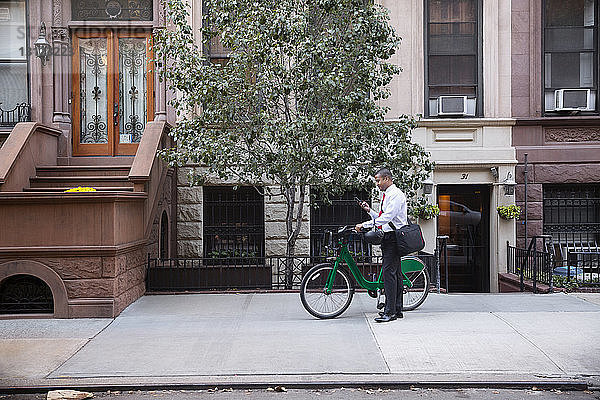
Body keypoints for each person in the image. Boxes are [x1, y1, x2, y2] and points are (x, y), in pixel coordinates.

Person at [355, 168, 407, 323]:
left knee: (388, 275)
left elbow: (388, 217)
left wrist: (364, 225)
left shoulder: (396, 195)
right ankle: (397, 309)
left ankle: (390, 312)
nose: (377, 184)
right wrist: (369, 211)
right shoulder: (388, 195)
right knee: (395, 275)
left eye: (378, 180)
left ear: (387, 178)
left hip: (393, 238)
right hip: (389, 237)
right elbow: (383, 217)